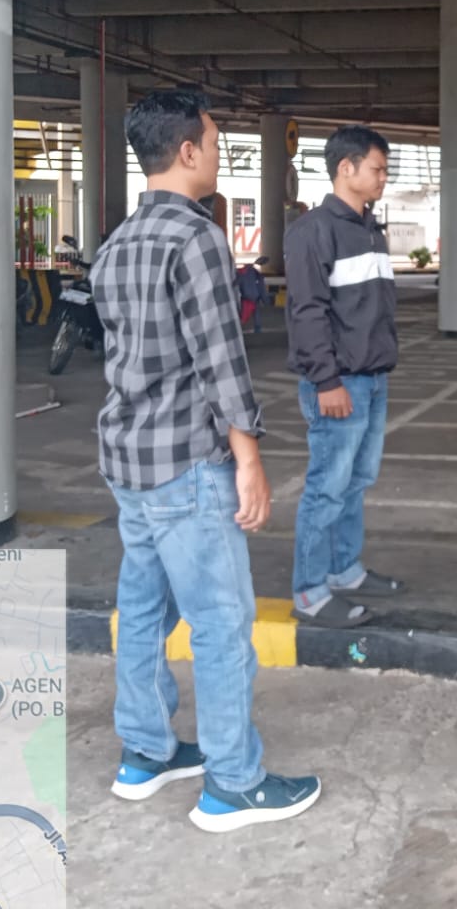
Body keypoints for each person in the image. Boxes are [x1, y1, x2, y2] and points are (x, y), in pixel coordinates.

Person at [93, 88, 320, 833]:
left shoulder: (117, 243)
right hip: (188, 464)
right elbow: (220, 360)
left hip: (129, 461)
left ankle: (146, 753)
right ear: (187, 150)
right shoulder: (196, 238)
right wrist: (248, 459)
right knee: (221, 624)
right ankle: (232, 783)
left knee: (143, 611)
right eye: (216, 143)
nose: (219, 155)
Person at [284, 125, 403, 625]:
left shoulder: (370, 229)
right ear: (346, 168)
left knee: (355, 482)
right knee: (327, 489)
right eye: (377, 169)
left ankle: (344, 570)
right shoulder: (314, 231)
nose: (383, 178)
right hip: (340, 383)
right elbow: (307, 313)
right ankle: (310, 592)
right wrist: (326, 382)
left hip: (372, 379)